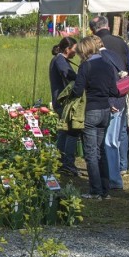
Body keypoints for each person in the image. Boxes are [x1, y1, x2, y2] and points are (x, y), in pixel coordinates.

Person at [90, 16, 129, 189]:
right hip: (122, 95)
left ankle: (113, 176)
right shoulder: (120, 42)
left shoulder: (99, 52)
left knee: (108, 140)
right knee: (121, 133)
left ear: (93, 31)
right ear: (107, 26)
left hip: (109, 98)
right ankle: (122, 166)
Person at [73, 34, 119, 200]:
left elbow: (78, 90)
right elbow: (115, 91)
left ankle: (95, 190)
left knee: (91, 153)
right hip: (105, 111)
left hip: (91, 110)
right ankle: (105, 189)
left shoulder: (86, 66)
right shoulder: (107, 65)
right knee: (101, 151)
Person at [48, 36, 82, 180]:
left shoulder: (58, 59)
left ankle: (61, 161)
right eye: (74, 50)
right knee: (71, 132)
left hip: (58, 101)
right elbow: (69, 76)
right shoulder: (60, 61)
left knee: (63, 132)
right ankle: (68, 163)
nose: (76, 52)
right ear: (67, 49)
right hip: (64, 103)